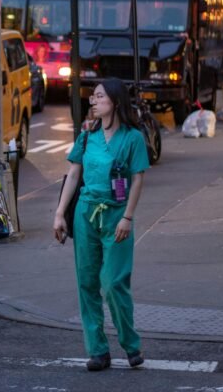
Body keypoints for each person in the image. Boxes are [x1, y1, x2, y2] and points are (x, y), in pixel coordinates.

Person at [53, 77, 150, 371]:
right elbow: (72, 175)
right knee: (87, 282)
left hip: (116, 215)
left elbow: (137, 179)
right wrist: (59, 214)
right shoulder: (87, 136)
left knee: (113, 282)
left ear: (116, 102)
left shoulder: (133, 137)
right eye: (93, 97)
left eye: (99, 97)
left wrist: (128, 217)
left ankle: (130, 344)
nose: (93, 102)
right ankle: (97, 350)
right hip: (85, 213)